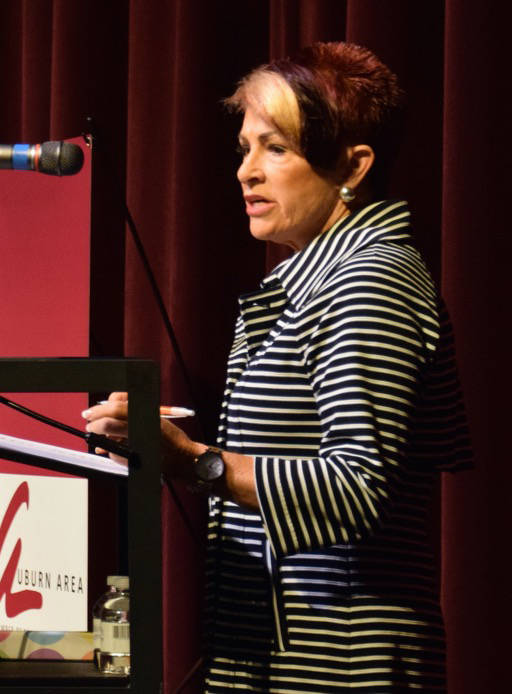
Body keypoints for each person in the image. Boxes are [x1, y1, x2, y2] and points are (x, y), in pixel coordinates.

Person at [83, 43, 471, 691]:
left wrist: (195, 460)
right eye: (244, 148)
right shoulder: (313, 280)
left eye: (277, 148)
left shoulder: (369, 281)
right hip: (276, 649)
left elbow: (356, 484)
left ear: (353, 164)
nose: (247, 172)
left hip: (339, 662)